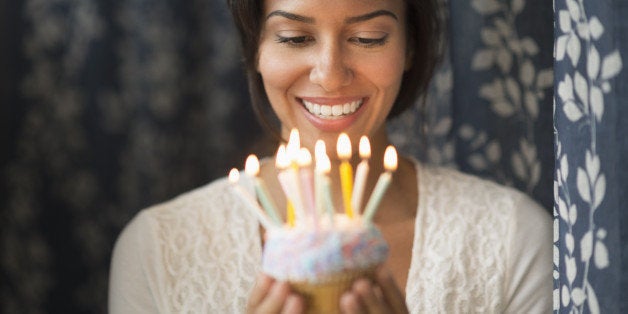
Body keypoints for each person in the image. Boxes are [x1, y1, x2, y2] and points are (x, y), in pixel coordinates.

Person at [108, 0, 552, 313]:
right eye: (296, 37)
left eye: (367, 37)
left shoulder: (513, 240)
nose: (330, 74)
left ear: (409, 48)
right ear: (256, 49)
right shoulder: (157, 248)